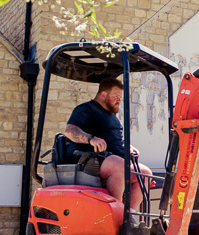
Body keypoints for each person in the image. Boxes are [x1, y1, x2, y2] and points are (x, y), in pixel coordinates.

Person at [64, 77, 152, 211]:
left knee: (145, 173)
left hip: (110, 158)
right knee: (120, 167)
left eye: (120, 97)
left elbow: (113, 139)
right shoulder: (86, 109)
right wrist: (91, 139)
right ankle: (116, 213)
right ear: (103, 94)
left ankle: (130, 217)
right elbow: (70, 131)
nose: (119, 100)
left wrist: (127, 147)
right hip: (87, 159)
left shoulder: (111, 116)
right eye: (116, 96)